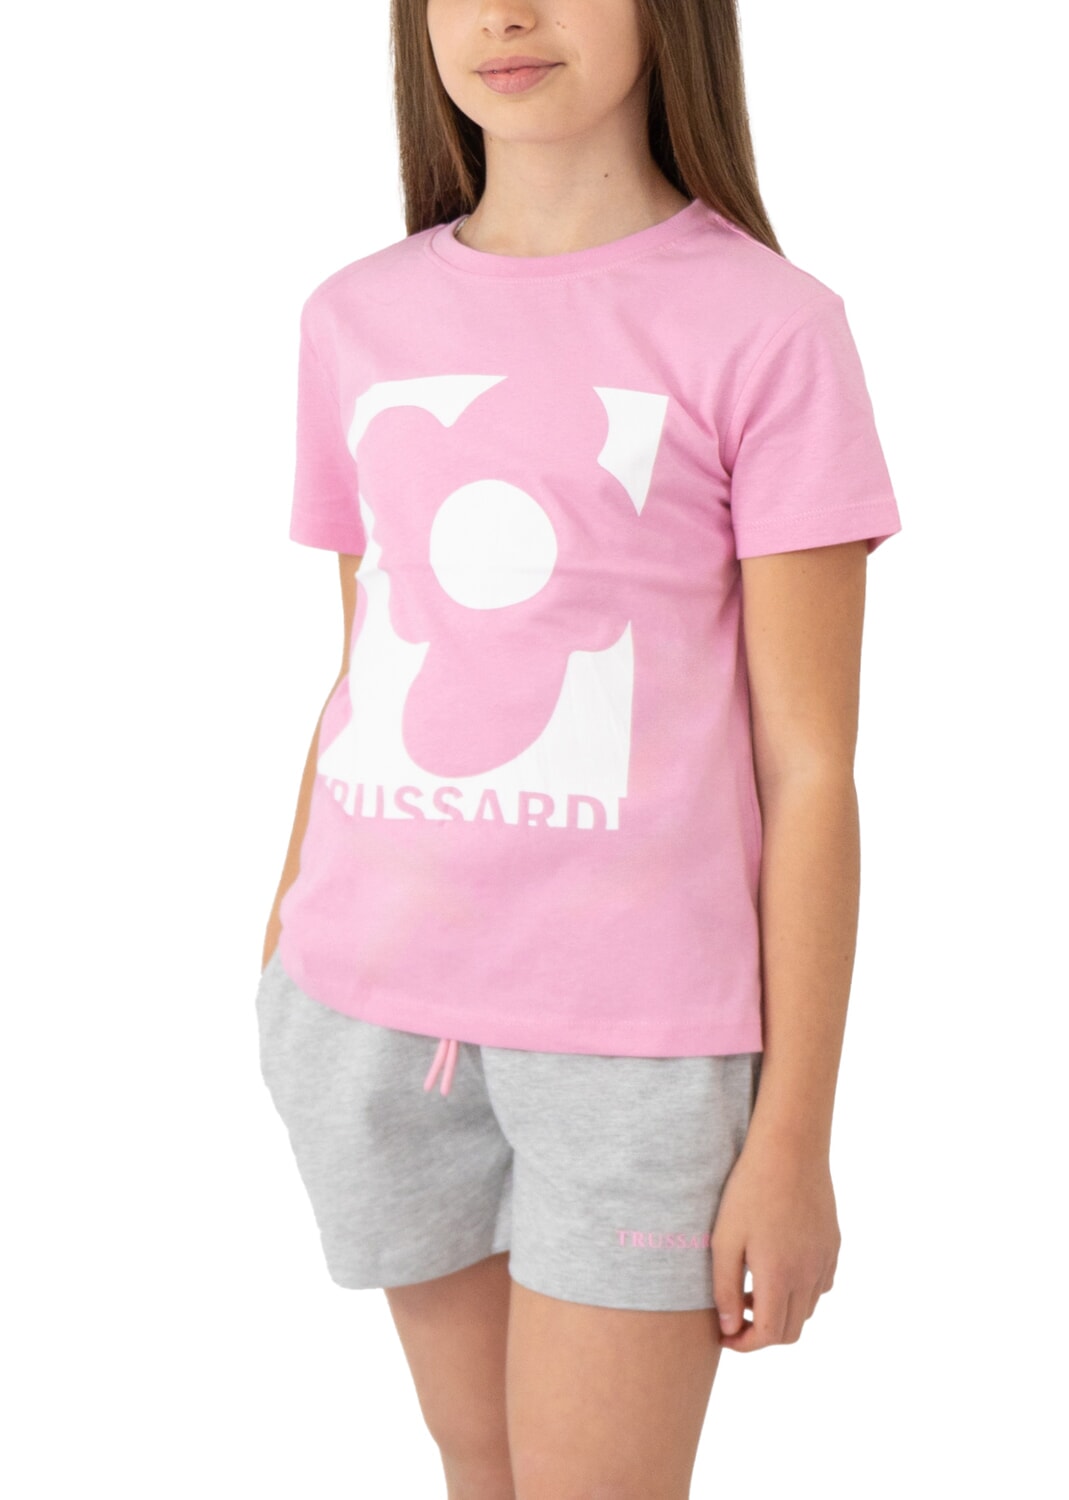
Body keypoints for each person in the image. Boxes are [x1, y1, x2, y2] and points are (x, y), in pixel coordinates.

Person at [254, 1, 903, 1495]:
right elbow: (364, 660)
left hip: (638, 1044)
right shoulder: (352, 318)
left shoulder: (769, 327)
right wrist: (280, 953)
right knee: (477, 1467)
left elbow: (810, 768)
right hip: (362, 1008)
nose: (506, 13)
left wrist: (794, 1135)